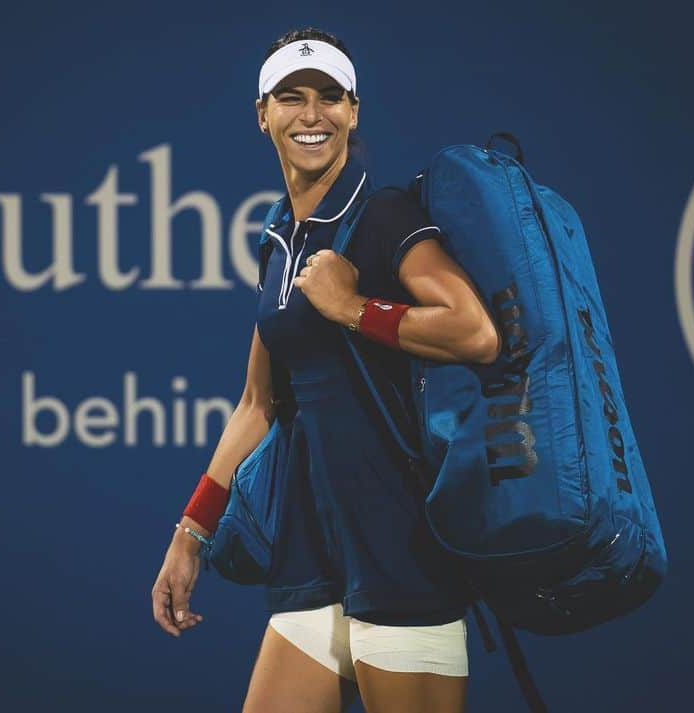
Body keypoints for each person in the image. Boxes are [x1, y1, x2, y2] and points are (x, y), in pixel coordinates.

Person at [151, 27, 499, 713]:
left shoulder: (383, 214)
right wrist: (189, 532)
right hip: (311, 564)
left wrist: (355, 306)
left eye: (328, 98)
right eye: (291, 98)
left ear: (353, 110)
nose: (311, 115)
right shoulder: (280, 237)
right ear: (263, 114)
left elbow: (476, 330)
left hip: (401, 557)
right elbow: (258, 404)